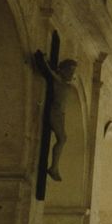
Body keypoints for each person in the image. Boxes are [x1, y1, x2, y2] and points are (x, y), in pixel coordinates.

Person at [34, 51, 78, 182]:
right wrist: (42, 58)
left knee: (63, 138)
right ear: (62, 70)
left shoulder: (65, 83)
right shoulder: (58, 79)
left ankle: (55, 167)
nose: (72, 75)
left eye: (73, 72)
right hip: (55, 112)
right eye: (69, 71)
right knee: (63, 138)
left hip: (60, 114)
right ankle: (54, 168)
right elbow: (48, 70)